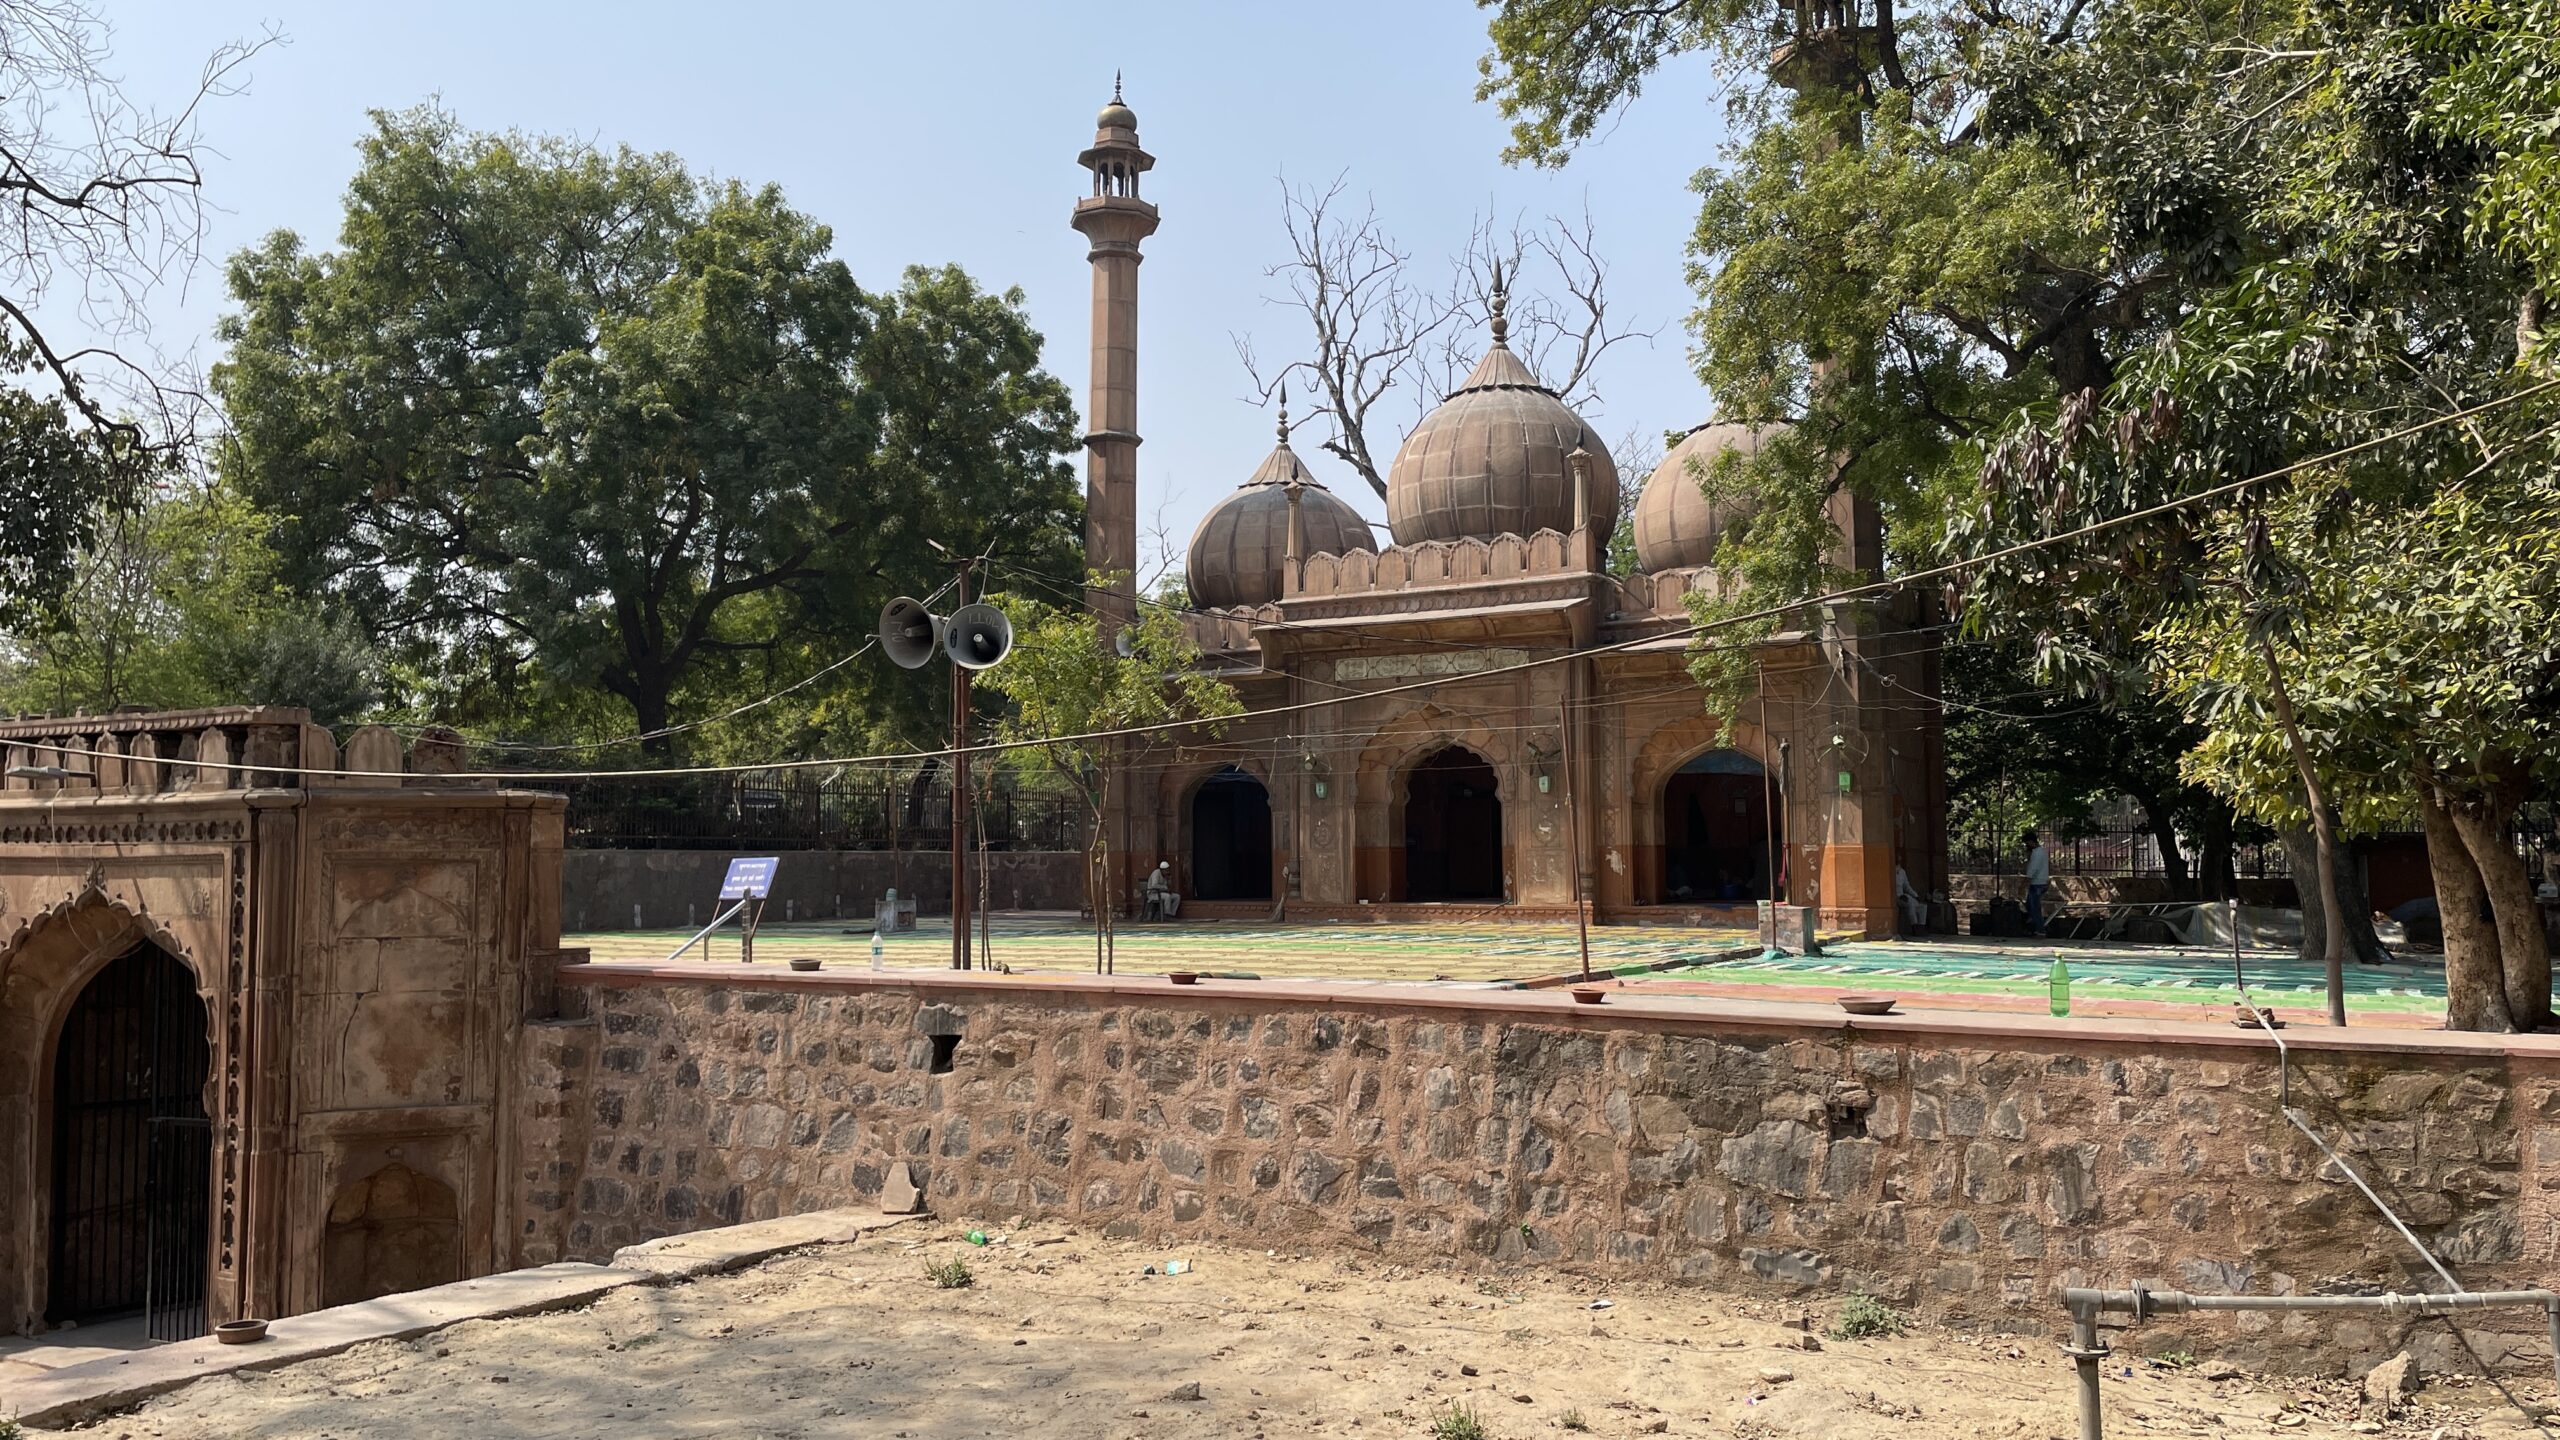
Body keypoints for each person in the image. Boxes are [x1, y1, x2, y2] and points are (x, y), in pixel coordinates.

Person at [2022, 828, 2051, 937]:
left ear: (2031, 842)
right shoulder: (2042, 852)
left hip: (2037, 883)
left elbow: (2032, 870)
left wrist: (2023, 884)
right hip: (2041, 881)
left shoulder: (2037, 854)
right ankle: (2034, 924)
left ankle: (2040, 929)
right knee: (2030, 905)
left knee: (2034, 908)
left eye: (2027, 843)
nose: (2026, 846)